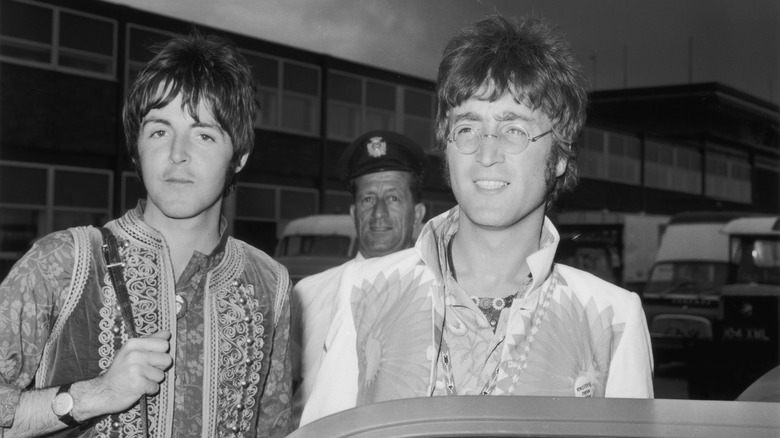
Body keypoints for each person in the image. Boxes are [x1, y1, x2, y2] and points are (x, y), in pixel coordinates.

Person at [299, 15, 654, 426]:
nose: (487, 154)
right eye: (467, 127)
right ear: (446, 144)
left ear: (558, 156)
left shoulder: (611, 319)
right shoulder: (365, 294)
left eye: (514, 130)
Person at [0, 32, 292, 437]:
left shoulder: (269, 282)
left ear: (239, 156)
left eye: (204, 134)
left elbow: (273, 428)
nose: (177, 153)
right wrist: (97, 393)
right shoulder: (61, 263)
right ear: (136, 148)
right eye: (159, 131)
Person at [290, 130, 427, 424]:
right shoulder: (308, 293)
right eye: (367, 199)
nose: (378, 212)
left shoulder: (438, 291)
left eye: (392, 197)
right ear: (353, 214)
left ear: (417, 217)